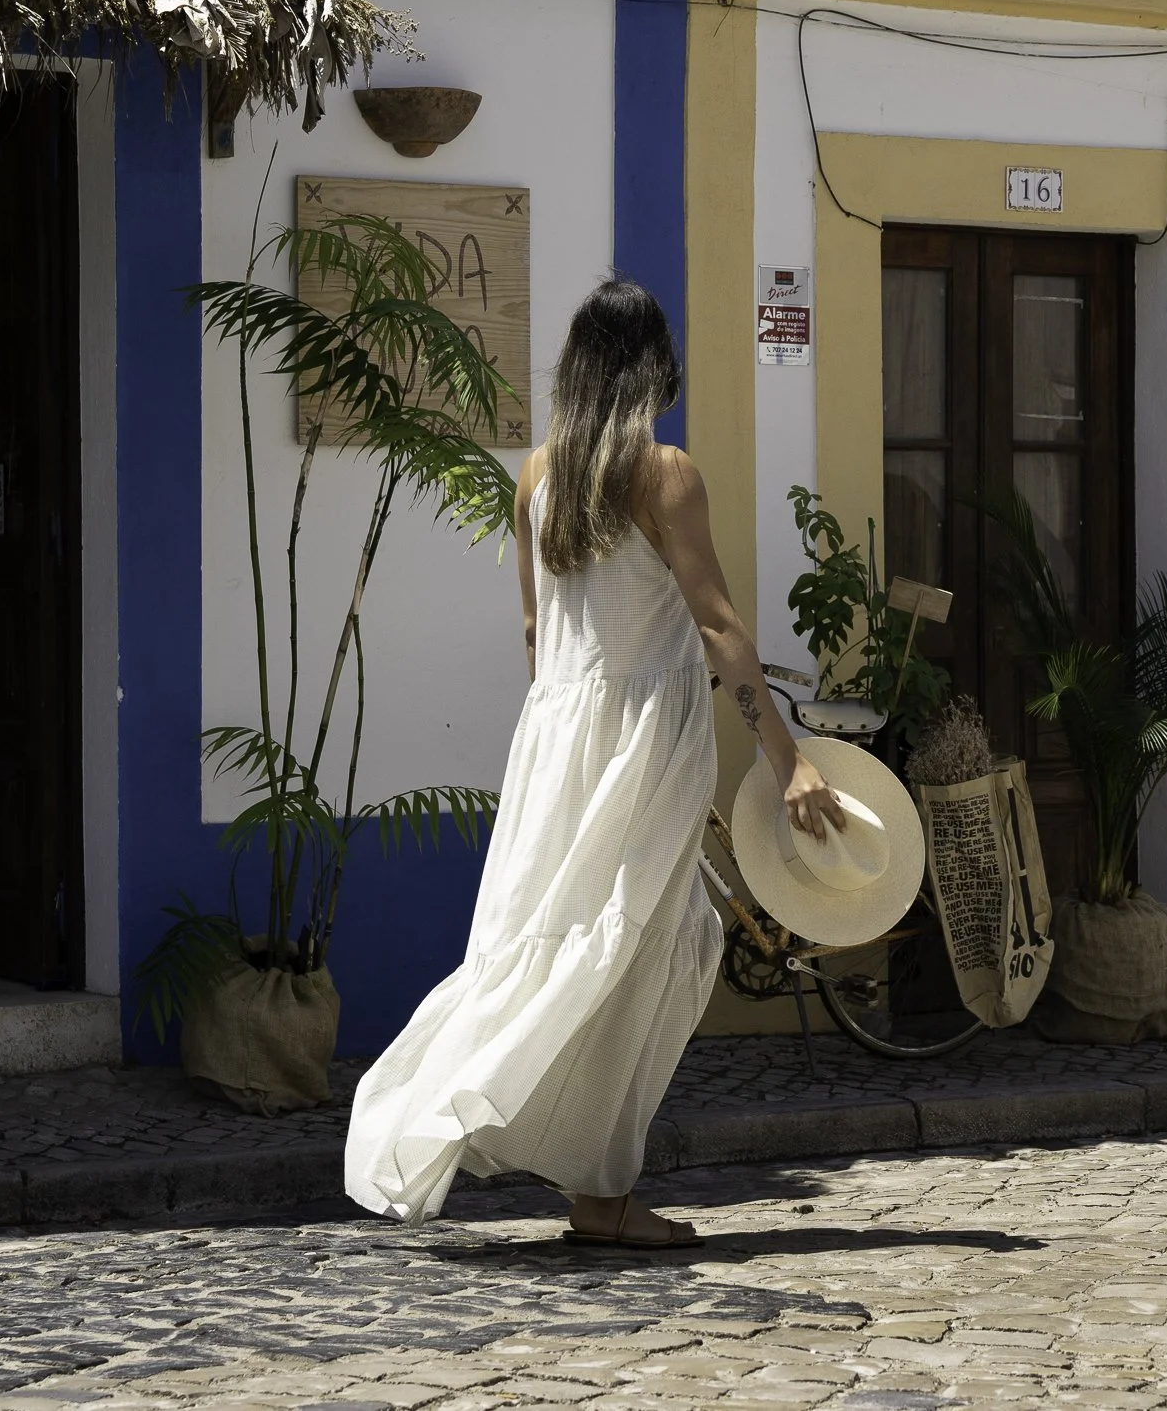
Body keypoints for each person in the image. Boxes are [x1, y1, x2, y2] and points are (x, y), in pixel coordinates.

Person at [345, 278, 846, 1247]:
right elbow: (719, 626)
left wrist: (563, 728)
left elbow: (537, 630)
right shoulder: (664, 474)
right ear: (653, 365)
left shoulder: (536, 476)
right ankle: (576, 1177)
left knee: (596, 945)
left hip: (557, 738)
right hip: (641, 742)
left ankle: (591, 1184)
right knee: (645, 950)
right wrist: (787, 758)